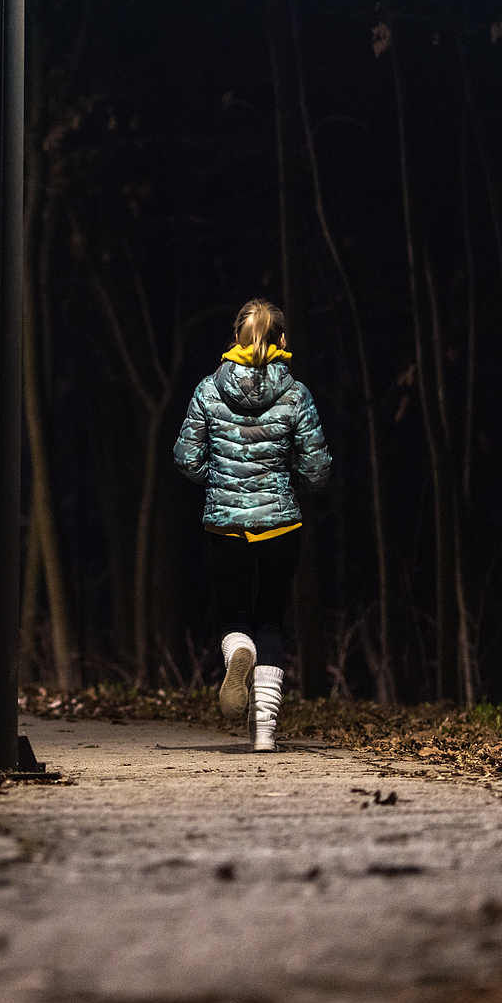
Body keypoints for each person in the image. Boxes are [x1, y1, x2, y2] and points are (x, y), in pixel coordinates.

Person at [171, 298, 332, 751]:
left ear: (235, 338)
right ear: (282, 340)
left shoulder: (207, 389)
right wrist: (286, 483)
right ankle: (264, 734)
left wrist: (220, 482)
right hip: (281, 527)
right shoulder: (296, 394)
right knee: (272, 622)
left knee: (235, 617)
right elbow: (318, 471)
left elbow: (185, 459)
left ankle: (236, 651)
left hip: (226, 528)